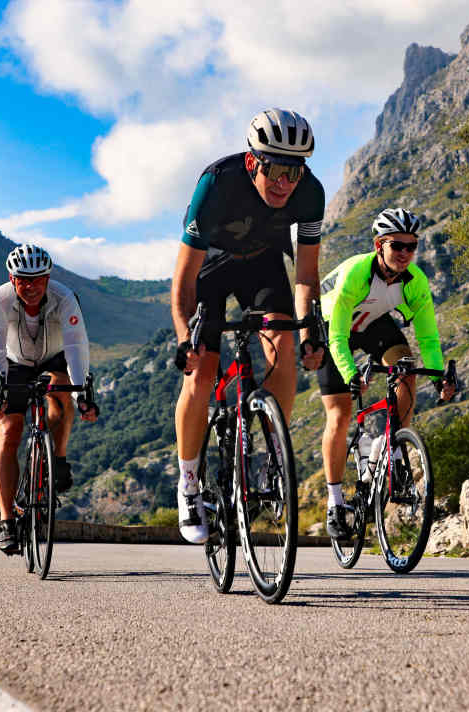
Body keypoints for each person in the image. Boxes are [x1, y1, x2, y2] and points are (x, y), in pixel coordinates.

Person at [171, 108, 325, 543]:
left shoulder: (310, 194)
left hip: (264, 268)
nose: (284, 183)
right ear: (253, 161)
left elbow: (306, 277)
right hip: (210, 270)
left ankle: (277, 455)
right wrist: (186, 336)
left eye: (294, 172)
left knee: (285, 344)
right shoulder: (216, 184)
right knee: (201, 370)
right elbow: (183, 280)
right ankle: (188, 484)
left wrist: (310, 329)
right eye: (275, 169)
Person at [317, 208, 455, 538]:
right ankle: (335, 502)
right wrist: (351, 373)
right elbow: (337, 334)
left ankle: (389, 446)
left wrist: (438, 378)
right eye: (397, 246)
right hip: (329, 326)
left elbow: (428, 338)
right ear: (379, 245)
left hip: (373, 323)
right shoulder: (356, 273)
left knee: (407, 368)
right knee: (340, 414)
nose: (405, 253)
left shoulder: (415, 281)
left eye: (412, 246)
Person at [0, 244, 99, 554]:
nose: (31, 286)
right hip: (15, 363)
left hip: (55, 357)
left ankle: (57, 459)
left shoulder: (65, 298)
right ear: (12, 278)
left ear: (48, 277)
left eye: (37, 279)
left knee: (62, 394)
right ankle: (7, 521)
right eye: (23, 279)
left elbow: (77, 346)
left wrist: (83, 394)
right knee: (9, 432)